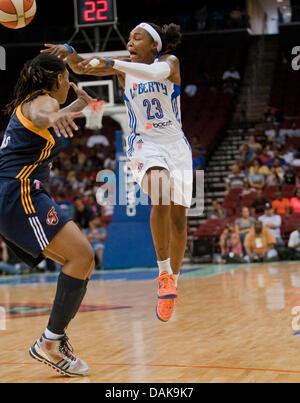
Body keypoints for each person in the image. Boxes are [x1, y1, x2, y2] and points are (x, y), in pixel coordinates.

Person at [42, 22, 193, 323]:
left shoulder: (169, 63)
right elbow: (83, 67)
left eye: (138, 38)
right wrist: (71, 53)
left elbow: (152, 74)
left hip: (176, 146)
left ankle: (172, 280)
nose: (130, 41)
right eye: (129, 38)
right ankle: (163, 272)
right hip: (144, 143)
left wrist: (110, 62)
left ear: (155, 45)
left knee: (179, 219)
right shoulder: (124, 70)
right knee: (159, 194)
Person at [0, 53, 96, 376]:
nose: (70, 82)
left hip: (20, 194)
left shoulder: (35, 104)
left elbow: (45, 117)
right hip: (20, 193)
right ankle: (51, 342)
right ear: (58, 80)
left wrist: (74, 109)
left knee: (82, 259)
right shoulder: (41, 103)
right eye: (67, 77)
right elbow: (43, 114)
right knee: (82, 256)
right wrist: (56, 114)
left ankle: (54, 339)